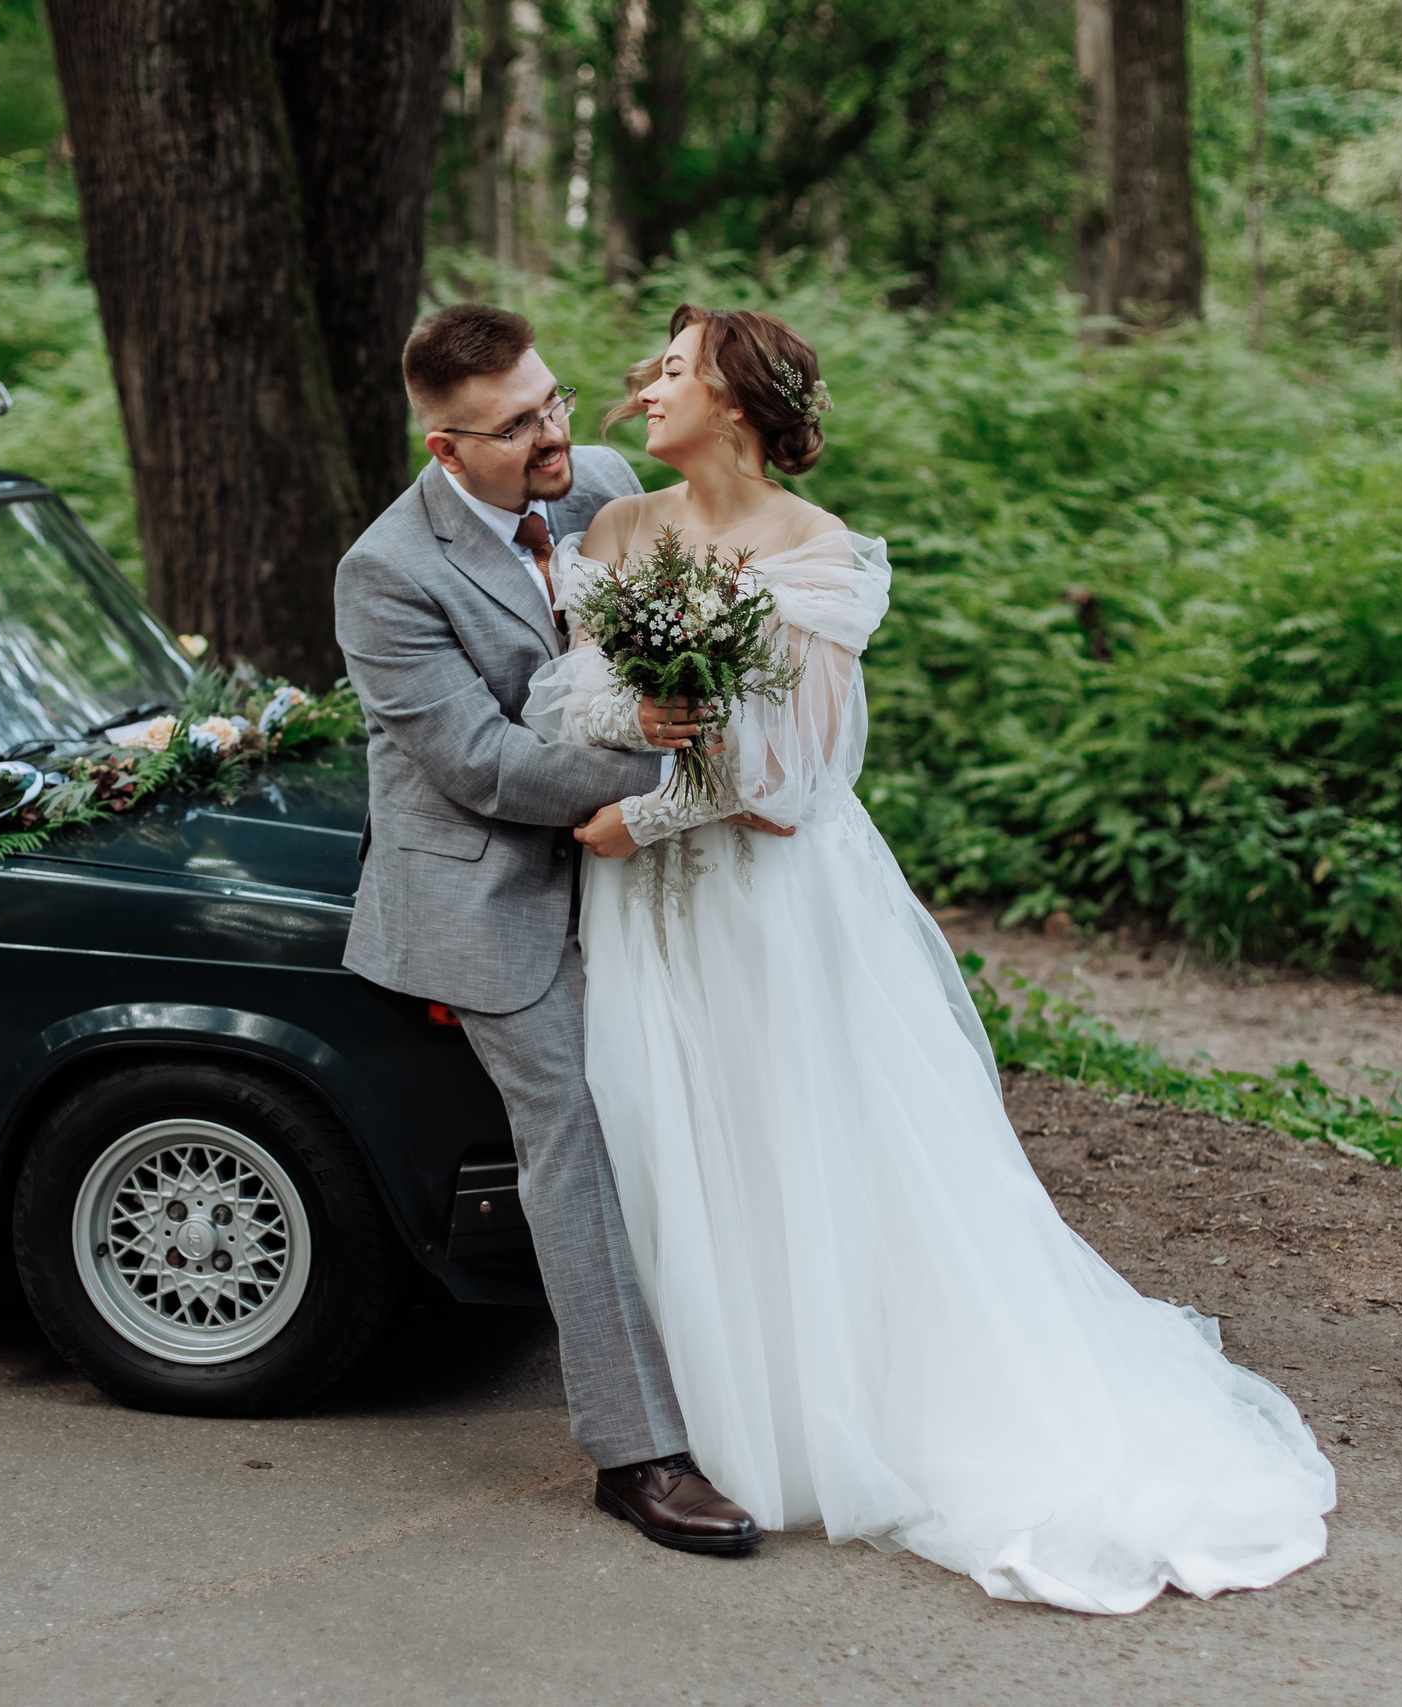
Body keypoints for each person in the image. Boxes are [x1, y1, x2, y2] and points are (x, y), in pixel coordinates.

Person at [525, 304, 1339, 1613]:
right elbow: (583, 695)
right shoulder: (618, 532)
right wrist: (638, 725)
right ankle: (723, 1408)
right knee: (676, 1127)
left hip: (764, 893)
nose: (648, 386)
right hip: (640, 907)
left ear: (736, 398)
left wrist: (651, 809)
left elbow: (798, 770)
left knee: (810, 1134)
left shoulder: (820, 553)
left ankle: (853, 1406)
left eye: (675, 369)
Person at [333, 304, 775, 1555]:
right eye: (518, 423)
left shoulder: (610, 486)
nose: (554, 436)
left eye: (555, 401)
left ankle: (758, 1380)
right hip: (489, 889)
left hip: (639, 877)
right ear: (443, 447)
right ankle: (638, 1451)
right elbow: (477, 764)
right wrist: (679, 789)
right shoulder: (385, 574)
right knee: (581, 1129)